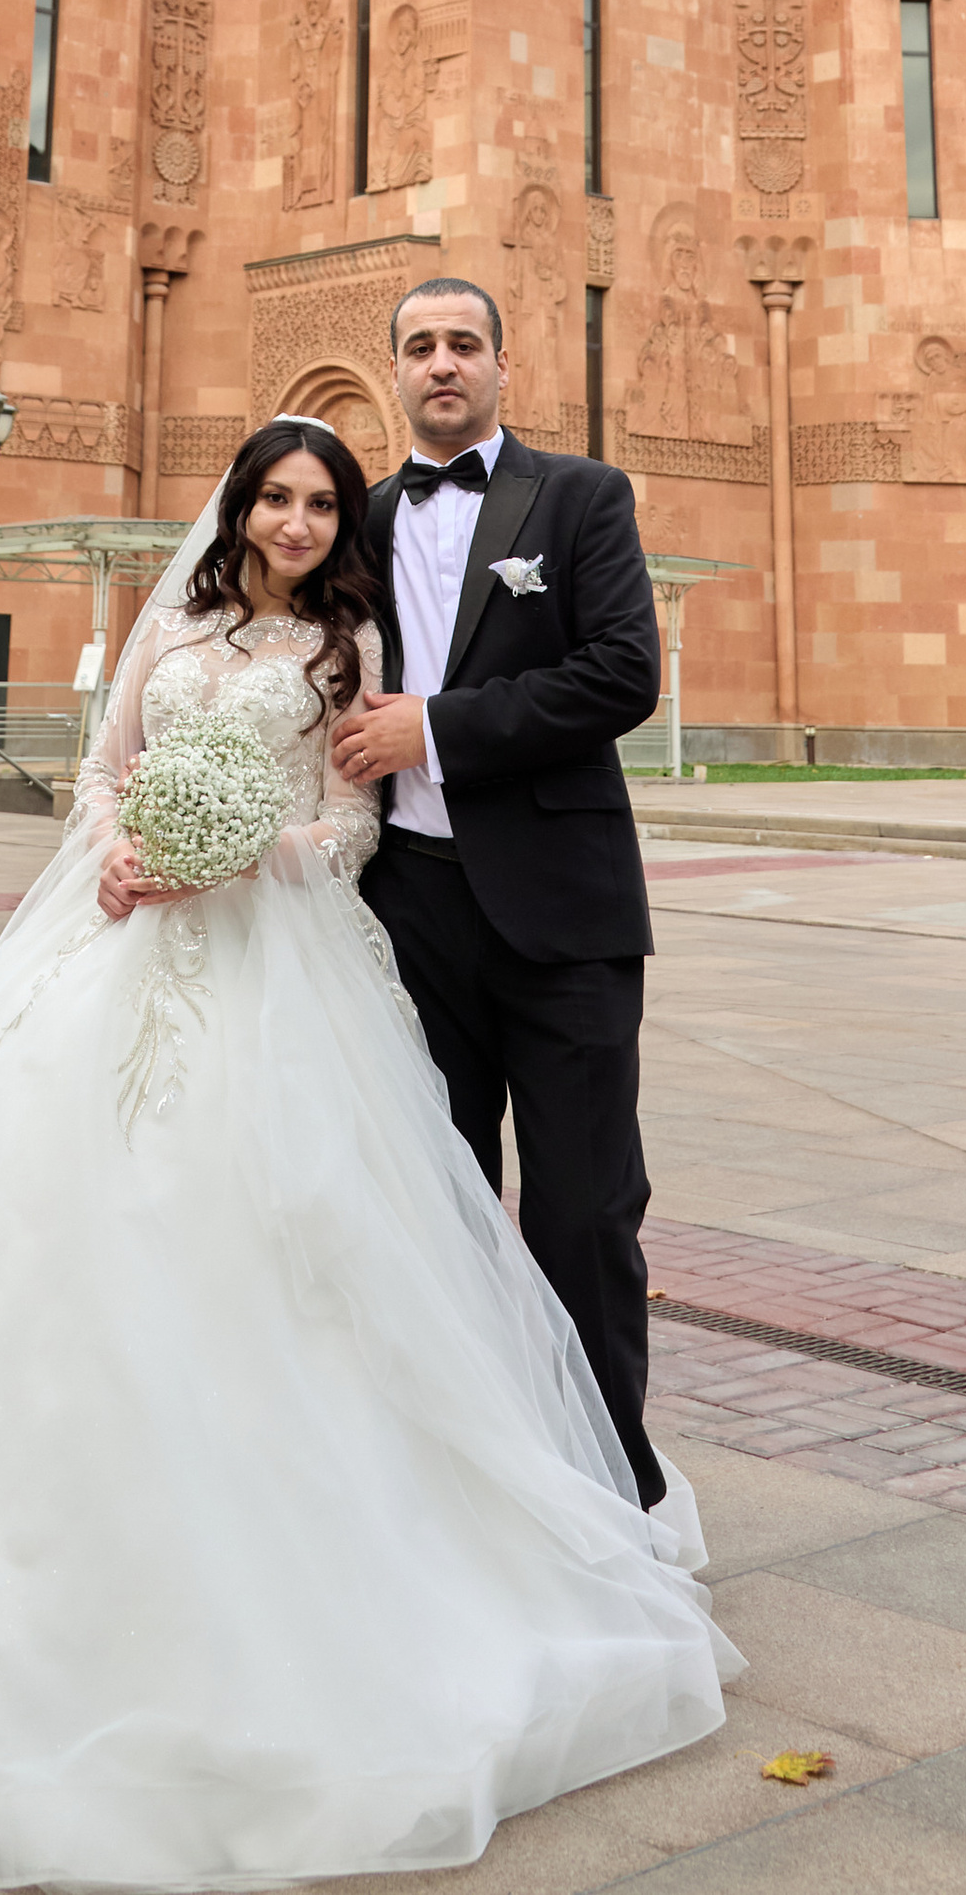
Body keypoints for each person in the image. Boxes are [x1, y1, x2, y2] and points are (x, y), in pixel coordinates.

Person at [0, 416, 732, 1885]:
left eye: (316, 503)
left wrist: (250, 851)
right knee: (33, 1220)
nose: (294, 521)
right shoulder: (175, 620)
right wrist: (118, 843)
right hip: (119, 937)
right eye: (274, 498)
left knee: (297, 1235)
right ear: (237, 507)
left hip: (276, 964)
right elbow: (103, 770)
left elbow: (351, 819)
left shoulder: (349, 645)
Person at [333, 280, 667, 1504]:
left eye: (462, 344)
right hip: (407, 912)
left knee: (582, 1215)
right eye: (417, 347)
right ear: (394, 373)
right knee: (441, 1210)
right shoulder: (355, 520)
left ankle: (612, 1495)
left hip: (562, 915)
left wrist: (441, 727)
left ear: (502, 366)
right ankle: (475, 1495)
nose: (440, 365)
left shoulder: (577, 496)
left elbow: (622, 673)